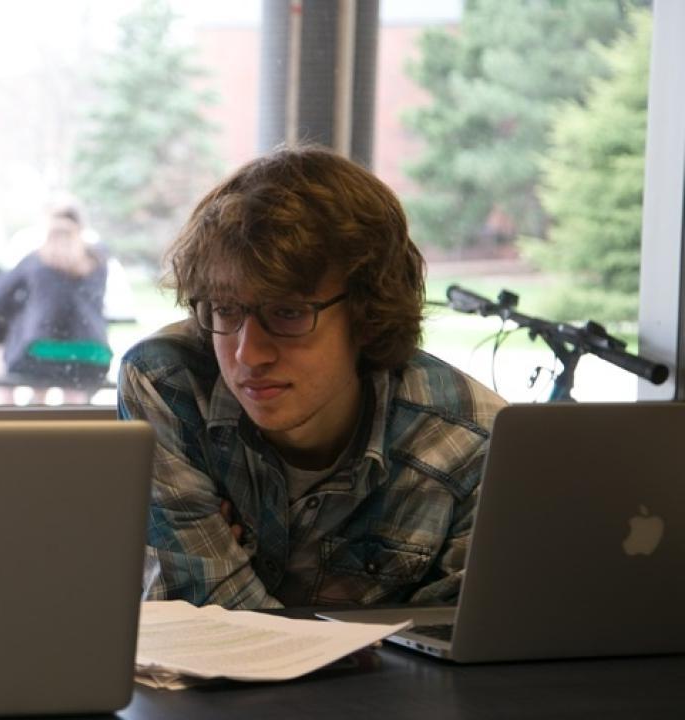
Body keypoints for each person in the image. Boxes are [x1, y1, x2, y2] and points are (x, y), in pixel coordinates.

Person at [118, 146, 506, 610]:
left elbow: (451, 655)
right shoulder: (169, 385)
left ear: (367, 315)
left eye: (288, 313)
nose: (248, 353)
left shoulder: (474, 442)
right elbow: (206, 630)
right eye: (225, 309)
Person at [0, 203, 114, 405]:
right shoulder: (98, 261)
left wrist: (24, 304)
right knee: (75, 390)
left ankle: (15, 423)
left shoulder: (35, 260)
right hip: (93, 353)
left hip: (38, 351)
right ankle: (75, 426)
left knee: (1, 357)